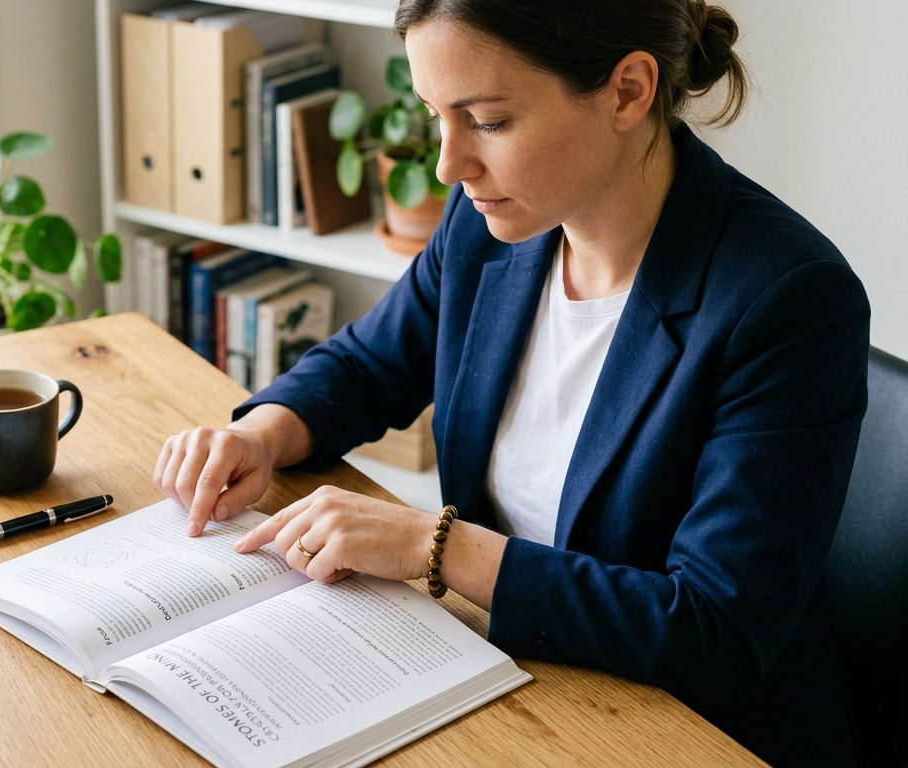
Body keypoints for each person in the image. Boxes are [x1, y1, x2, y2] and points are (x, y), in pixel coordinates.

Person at [153, 1, 871, 765]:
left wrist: (441, 549)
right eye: (435, 115)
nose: (447, 166)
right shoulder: (492, 224)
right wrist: (261, 433)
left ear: (628, 90)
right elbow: (370, 363)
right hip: (511, 679)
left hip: (686, 731)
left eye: (488, 122)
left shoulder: (787, 300)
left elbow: (714, 632)